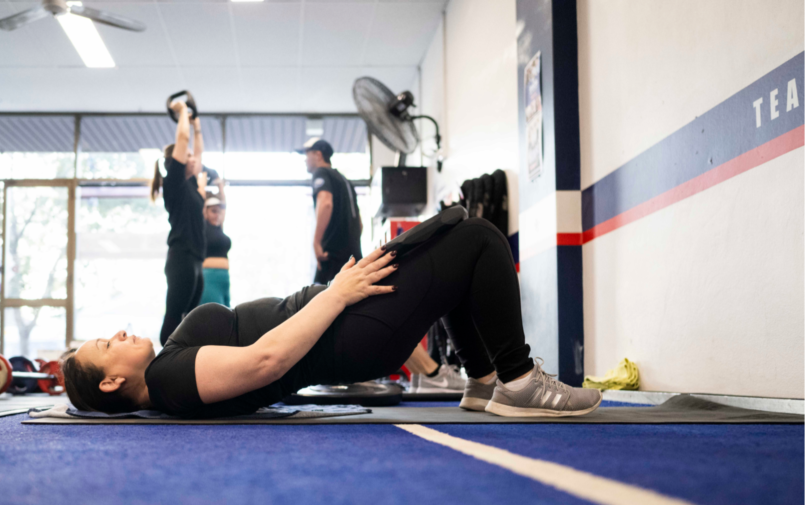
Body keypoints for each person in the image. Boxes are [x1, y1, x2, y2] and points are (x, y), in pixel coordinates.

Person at [62, 209, 602, 419]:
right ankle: (518, 379)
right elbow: (265, 361)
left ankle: (485, 381)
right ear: (112, 383)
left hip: (343, 321)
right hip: (349, 332)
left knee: (454, 239)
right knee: (477, 238)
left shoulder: (167, 376)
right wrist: (337, 294)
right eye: (106, 346)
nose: (119, 334)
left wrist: (334, 293)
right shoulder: (168, 379)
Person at [151, 98, 206, 345]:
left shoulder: (191, 185)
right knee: (174, 317)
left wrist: (196, 125)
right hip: (181, 256)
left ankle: (181, 363)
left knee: (189, 320)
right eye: (189, 156)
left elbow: (198, 150)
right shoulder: (174, 183)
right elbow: (182, 141)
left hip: (195, 258)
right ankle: (163, 366)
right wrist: (182, 110)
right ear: (178, 160)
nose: (193, 159)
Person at [301, 138, 363, 286]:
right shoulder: (345, 181)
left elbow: (326, 203)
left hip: (333, 257)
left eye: (307, 155)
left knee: (318, 301)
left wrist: (316, 242)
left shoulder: (321, 173)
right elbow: (360, 224)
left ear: (318, 155)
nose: (305, 160)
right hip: (353, 258)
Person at [199, 186, 231, 307]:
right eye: (213, 211)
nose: (217, 215)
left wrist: (221, 186)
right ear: (205, 212)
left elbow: (224, 206)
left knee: (227, 317)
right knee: (213, 316)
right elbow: (199, 202)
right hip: (209, 278)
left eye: (219, 211)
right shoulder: (203, 228)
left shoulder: (220, 229)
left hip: (224, 279)